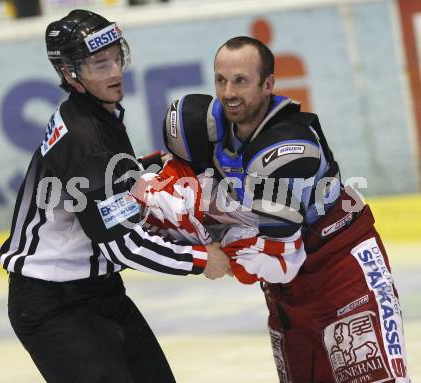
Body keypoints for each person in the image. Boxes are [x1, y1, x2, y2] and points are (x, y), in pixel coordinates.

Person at [138, 37, 410, 382]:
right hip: (285, 292)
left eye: (241, 81)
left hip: (341, 272)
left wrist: (213, 250)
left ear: (268, 84)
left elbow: (281, 259)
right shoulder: (205, 124)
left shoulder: (289, 147)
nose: (229, 93)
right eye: (221, 80)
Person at [0, 9, 229, 383]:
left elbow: (109, 183)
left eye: (116, 57)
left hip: (98, 291)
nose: (115, 71)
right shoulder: (87, 138)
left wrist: (154, 167)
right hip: (54, 305)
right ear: (69, 73)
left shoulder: (94, 114)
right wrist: (201, 260)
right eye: (99, 65)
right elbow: (123, 247)